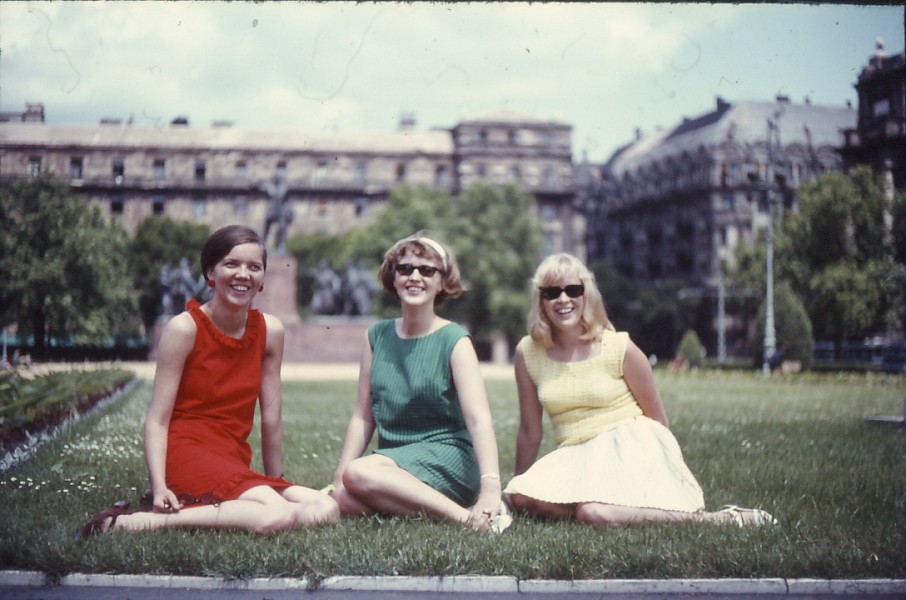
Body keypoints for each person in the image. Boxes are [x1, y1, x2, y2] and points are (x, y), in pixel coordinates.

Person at [80, 225, 339, 537]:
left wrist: (276, 481)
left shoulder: (271, 331)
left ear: (262, 278)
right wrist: (159, 486)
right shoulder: (184, 329)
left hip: (232, 457)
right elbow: (157, 420)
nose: (243, 274)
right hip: (186, 451)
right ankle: (138, 521)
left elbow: (272, 417)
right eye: (232, 264)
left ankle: (239, 508)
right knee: (276, 516)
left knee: (326, 508)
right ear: (210, 272)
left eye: (254, 267)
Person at [504, 253, 777, 527]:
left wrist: (661, 473)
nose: (563, 300)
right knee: (521, 498)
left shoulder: (618, 347)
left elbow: (659, 421)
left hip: (628, 447)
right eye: (552, 293)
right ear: (540, 300)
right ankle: (605, 509)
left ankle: (713, 520)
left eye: (573, 290)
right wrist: (518, 485)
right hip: (574, 454)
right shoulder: (528, 352)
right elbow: (530, 431)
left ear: (587, 295)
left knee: (594, 513)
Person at [328, 232, 511, 533]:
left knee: (358, 473)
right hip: (395, 461)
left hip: (449, 457)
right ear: (394, 277)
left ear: (442, 282)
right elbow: (363, 416)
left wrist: (490, 486)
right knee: (342, 497)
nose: (415, 277)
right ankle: (441, 510)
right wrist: (338, 477)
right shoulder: (376, 336)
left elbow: (478, 420)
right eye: (405, 269)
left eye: (426, 270)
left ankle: (467, 521)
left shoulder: (455, 340)